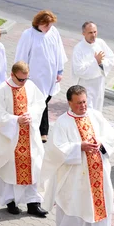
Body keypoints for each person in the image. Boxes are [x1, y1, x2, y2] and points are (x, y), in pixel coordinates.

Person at [42, 85, 114, 226]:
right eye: (78, 103)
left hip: (98, 172)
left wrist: (101, 142)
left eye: (84, 101)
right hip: (75, 176)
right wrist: (79, 147)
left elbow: (111, 135)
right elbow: (56, 150)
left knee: (95, 208)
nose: (82, 106)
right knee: (77, 209)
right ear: (69, 103)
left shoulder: (95, 115)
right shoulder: (63, 122)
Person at [0, 61, 47, 217]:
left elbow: (39, 103)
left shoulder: (29, 86)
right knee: (9, 169)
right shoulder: (2, 90)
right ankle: (11, 201)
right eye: (21, 79)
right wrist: (15, 120)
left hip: (28, 136)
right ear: (12, 74)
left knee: (33, 166)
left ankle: (33, 203)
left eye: (26, 78)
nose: (24, 82)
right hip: (10, 138)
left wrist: (32, 114)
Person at [14, 10, 67, 143]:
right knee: (39, 102)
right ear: (39, 23)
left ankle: (40, 130)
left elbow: (59, 51)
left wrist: (60, 71)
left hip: (50, 75)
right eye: (46, 25)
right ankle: (41, 131)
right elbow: (22, 55)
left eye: (50, 25)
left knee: (44, 101)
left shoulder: (53, 32)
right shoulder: (28, 35)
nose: (48, 28)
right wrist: (21, 74)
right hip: (35, 76)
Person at [72, 21, 114, 111]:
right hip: (85, 86)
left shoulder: (100, 43)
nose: (93, 35)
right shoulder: (79, 49)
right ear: (83, 33)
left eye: (95, 32)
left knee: (97, 110)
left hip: (99, 84)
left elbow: (111, 58)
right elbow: (78, 70)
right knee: (87, 110)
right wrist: (95, 62)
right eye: (90, 32)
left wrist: (100, 63)